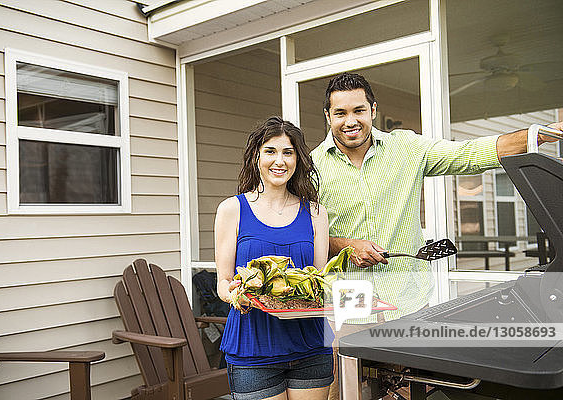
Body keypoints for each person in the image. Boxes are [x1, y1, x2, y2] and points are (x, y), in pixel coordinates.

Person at [310, 71, 563, 399]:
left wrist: (538, 135)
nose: (350, 121)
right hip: (351, 300)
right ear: (327, 116)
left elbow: (468, 154)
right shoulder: (313, 166)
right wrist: (344, 245)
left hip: (408, 297)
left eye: (358, 110)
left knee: (414, 389)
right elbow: (306, 235)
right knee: (355, 388)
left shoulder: (406, 147)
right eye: (340, 113)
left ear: (373, 109)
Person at [215, 116, 334, 400]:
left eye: (288, 152)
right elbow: (223, 282)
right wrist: (234, 295)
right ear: (256, 156)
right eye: (270, 151)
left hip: (311, 346)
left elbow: (319, 283)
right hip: (253, 346)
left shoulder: (316, 212)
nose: (279, 161)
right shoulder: (233, 209)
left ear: (297, 160)